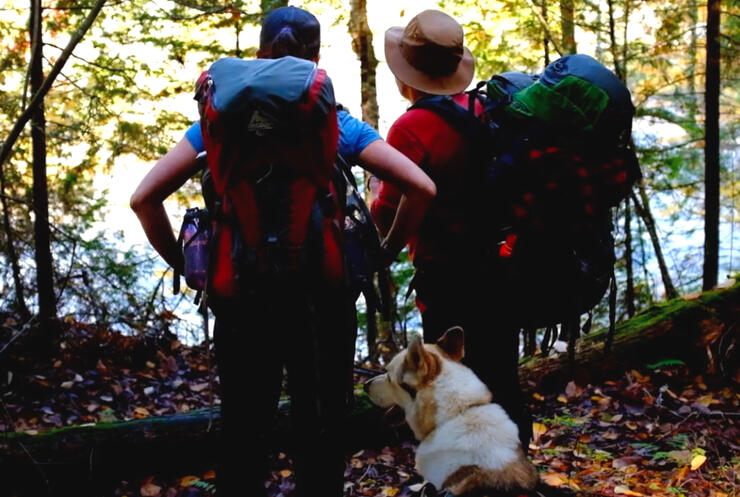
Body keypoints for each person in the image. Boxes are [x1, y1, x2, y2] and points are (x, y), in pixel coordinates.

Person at [130, 6, 435, 497]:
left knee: (243, 429)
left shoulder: (216, 126)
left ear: (258, 53)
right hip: (323, 301)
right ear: (315, 59)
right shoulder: (338, 126)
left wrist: (188, 267)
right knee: (321, 430)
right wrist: (383, 253)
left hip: (241, 296)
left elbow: (143, 199)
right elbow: (422, 189)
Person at [370, 9, 533, 448]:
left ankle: (469, 473)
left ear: (406, 78)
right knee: (501, 372)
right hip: (500, 262)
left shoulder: (411, 127)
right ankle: (517, 469)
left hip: (445, 271)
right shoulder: (485, 107)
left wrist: (372, 200)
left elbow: (386, 208)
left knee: (452, 381)